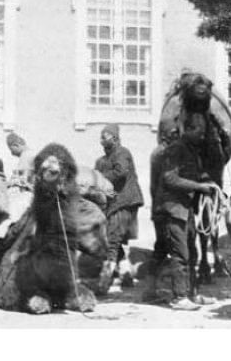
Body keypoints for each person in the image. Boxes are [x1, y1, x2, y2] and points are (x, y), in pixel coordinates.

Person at [144, 112, 221, 311]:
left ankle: (192, 293)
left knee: (192, 253)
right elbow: (170, 178)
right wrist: (199, 187)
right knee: (180, 254)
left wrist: (207, 181)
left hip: (185, 210)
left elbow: (190, 175)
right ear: (187, 129)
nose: (202, 136)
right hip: (172, 210)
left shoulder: (190, 150)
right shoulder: (176, 150)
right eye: (199, 131)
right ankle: (179, 297)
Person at [94, 123, 145, 295]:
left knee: (112, 241)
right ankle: (126, 274)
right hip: (110, 204)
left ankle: (104, 280)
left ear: (115, 138)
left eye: (106, 135)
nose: (102, 139)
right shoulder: (101, 161)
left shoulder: (122, 153)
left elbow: (121, 172)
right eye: (101, 136)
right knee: (112, 239)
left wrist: (99, 178)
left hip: (124, 201)